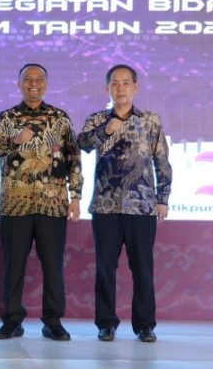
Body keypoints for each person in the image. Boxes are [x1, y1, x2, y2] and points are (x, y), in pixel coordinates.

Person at [77, 64, 172, 343]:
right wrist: (105, 131)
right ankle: (106, 324)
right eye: (115, 83)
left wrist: (163, 198)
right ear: (107, 88)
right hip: (105, 206)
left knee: (142, 268)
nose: (120, 88)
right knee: (105, 268)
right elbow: (82, 144)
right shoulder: (97, 119)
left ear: (135, 87)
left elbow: (162, 160)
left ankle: (145, 325)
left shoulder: (150, 120)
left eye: (126, 83)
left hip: (141, 206)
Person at [0, 63, 82, 341]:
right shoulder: (8, 117)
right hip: (15, 203)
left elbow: (73, 157)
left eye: (39, 79)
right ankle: (12, 320)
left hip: (52, 203)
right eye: (27, 79)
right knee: (14, 265)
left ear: (46, 84)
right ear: (19, 84)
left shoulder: (60, 118)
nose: (33, 83)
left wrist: (76, 196)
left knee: (52, 265)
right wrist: (16, 140)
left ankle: (53, 321)